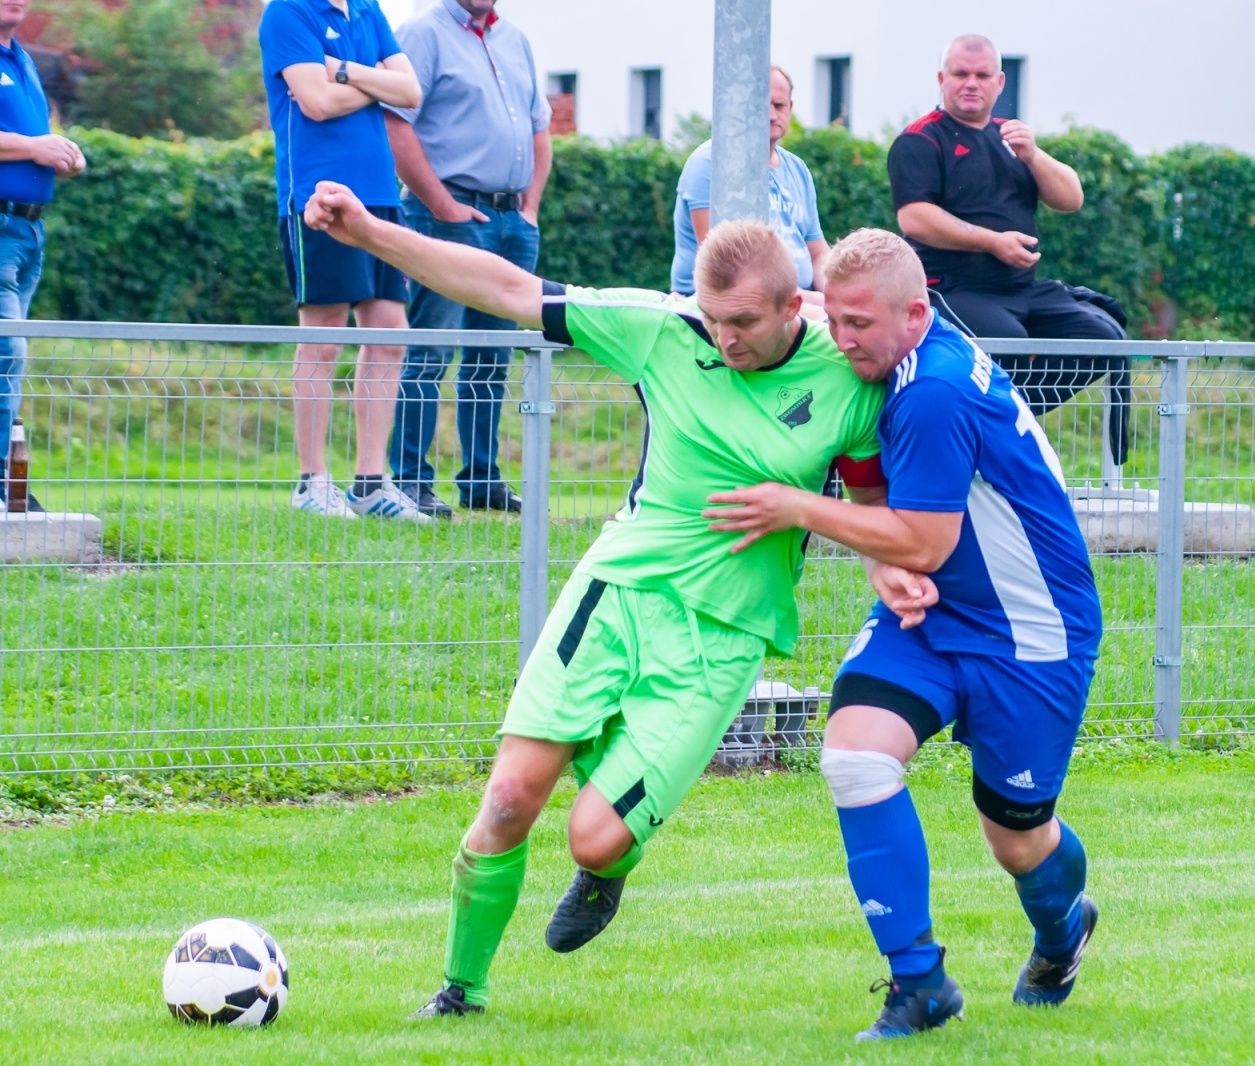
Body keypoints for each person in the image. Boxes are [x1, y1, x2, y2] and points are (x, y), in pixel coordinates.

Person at [301, 180, 887, 1018]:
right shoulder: (665, 331)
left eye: (743, 323)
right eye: (712, 318)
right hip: (617, 595)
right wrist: (366, 232)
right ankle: (460, 994)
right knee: (509, 798)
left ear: (796, 305)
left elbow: (874, 503)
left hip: (724, 638)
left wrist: (853, 546)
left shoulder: (849, 375)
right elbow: (507, 287)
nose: (723, 339)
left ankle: (607, 868)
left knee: (594, 836)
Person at [705, 229, 1102, 1040]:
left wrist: (796, 506)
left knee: (1018, 840)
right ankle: (919, 984)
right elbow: (908, 532)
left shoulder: (933, 392)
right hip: (930, 614)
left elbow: (923, 540)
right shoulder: (905, 349)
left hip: (1030, 632)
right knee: (856, 760)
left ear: (916, 314)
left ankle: (1063, 932)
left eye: (858, 324)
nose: (841, 338)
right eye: (834, 318)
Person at [888, 33, 1129, 461]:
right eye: (961, 74)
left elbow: (1071, 198)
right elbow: (914, 218)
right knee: (1009, 343)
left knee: (1104, 336)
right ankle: (993, 435)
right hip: (951, 287)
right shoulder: (920, 139)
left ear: (1000, 83)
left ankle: (1001, 420)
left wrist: (1034, 156)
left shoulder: (1012, 138)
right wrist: (992, 242)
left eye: (982, 75)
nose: (971, 83)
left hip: (1022, 288)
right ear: (942, 79)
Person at [259, 0, 428, 521]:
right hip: (319, 194)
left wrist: (342, 71)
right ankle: (312, 482)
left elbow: (412, 93)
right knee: (325, 338)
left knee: (390, 334)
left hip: (380, 196)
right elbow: (316, 104)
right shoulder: (287, 13)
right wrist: (376, 81)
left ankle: (371, 485)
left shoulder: (367, 10)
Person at [383, 0, 552, 519]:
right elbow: (395, 124)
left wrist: (529, 209)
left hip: (511, 222)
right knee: (431, 350)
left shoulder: (515, 40)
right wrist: (442, 206)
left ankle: (481, 481)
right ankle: (410, 481)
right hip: (448, 214)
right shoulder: (423, 34)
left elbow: (538, 129)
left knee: (492, 357)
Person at [0, 0, 83, 513]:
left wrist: (61, 155)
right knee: (6, 353)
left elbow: (33, 142)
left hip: (29, 231)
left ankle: (8, 483)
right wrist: (35, 148)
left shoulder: (22, 59)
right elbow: (29, 144)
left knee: (10, 361)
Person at [670, 66, 827, 296]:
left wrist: (834, 293)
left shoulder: (798, 169)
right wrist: (816, 304)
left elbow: (818, 253)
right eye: (761, 106)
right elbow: (725, 265)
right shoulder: (711, 162)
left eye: (779, 105)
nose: (772, 115)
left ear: (790, 108)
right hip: (725, 303)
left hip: (796, 302)